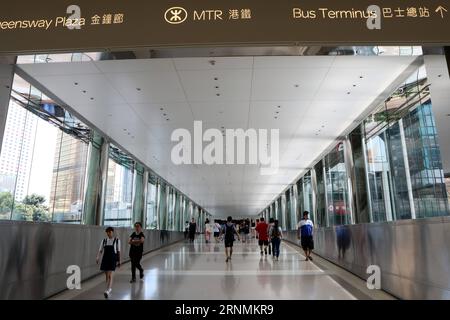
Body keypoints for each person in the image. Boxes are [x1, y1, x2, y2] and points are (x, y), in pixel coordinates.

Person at [96, 227, 121, 299]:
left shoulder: (117, 240)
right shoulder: (104, 241)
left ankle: (108, 290)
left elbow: (119, 251)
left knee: (110, 275)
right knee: (107, 275)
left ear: (112, 232)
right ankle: (108, 288)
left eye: (109, 232)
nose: (108, 233)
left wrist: (119, 261)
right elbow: (100, 250)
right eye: (107, 232)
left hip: (113, 259)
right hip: (105, 259)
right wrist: (98, 257)